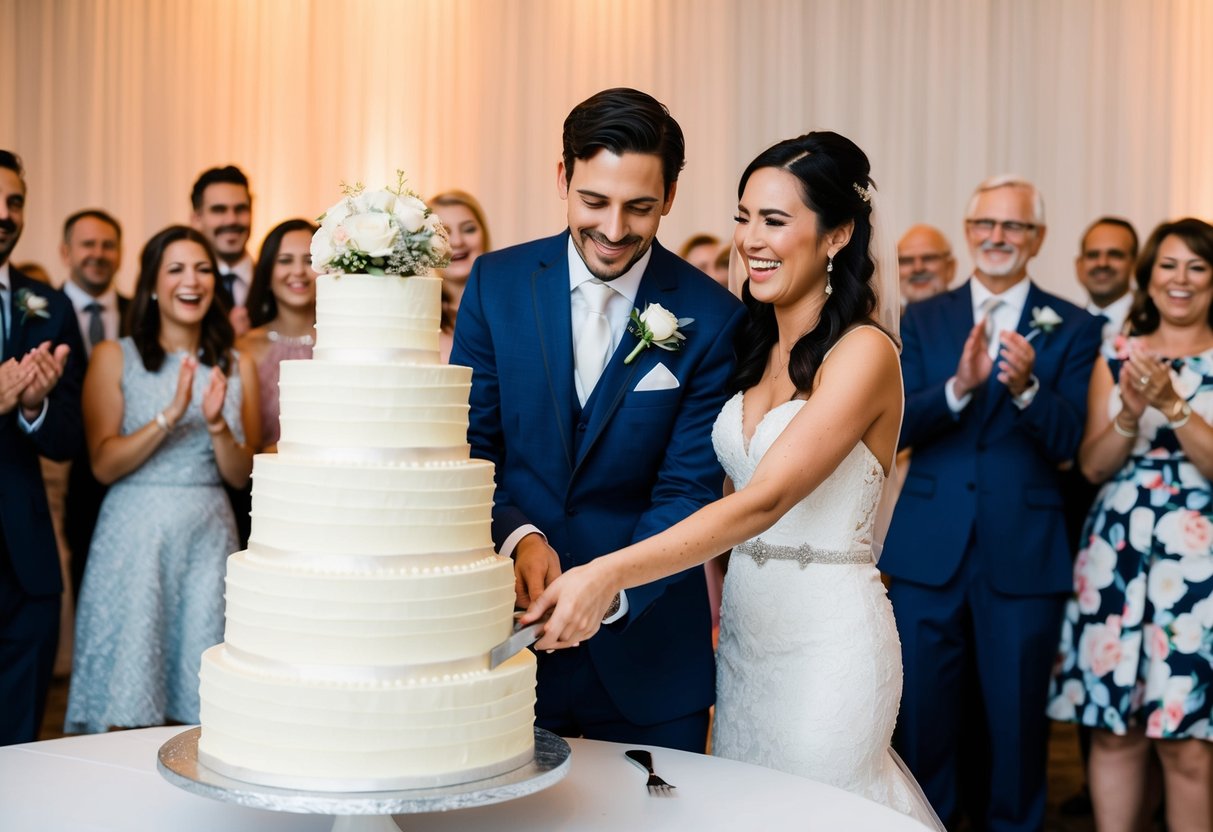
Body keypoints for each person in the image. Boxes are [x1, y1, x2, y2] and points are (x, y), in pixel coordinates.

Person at [522, 131, 942, 829]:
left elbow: (765, 499)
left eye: (775, 221)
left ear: (836, 234)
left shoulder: (864, 353)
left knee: (817, 812)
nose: (750, 238)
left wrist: (607, 574)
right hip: (747, 642)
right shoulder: (744, 345)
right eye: (744, 216)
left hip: (828, 644)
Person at [451, 87, 745, 753]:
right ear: (563, 178)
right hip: (510, 644)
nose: (613, 229)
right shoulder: (495, 284)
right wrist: (520, 537)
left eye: (639, 207)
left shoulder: (714, 316)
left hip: (649, 659)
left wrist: (608, 589)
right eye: (594, 201)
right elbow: (469, 452)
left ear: (669, 196)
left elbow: (687, 491)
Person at [880, 175, 1103, 831]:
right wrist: (958, 385)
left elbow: (1068, 445)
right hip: (927, 549)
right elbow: (896, 426)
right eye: (985, 225)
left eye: (1013, 227)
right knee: (923, 725)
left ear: (1036, 238)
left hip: (1024, 553)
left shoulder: (1073, 323)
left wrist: (1028, 387)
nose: (996, 238)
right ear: (967, 231)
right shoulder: (920, 317)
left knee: (1015, 729)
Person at [1048, 217, 1213, 832]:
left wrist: (1174, 406)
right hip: (1117, 552)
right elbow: (1091, 465)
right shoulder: (1117, 353)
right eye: (1169, 265)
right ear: (1149, 276)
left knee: (1186, 740)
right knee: (1115, 732)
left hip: (1198, 565)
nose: (1181, 279)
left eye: (1197, 267)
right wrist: (1132, 412)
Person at [64, 225, 259, 733]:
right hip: (133, 535)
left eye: (201, 269)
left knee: (199, 697)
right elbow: (104, 464)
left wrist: (216, 424)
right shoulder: (115, 356)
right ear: (152, 283)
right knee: (129, 683)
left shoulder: (237, 364)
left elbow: (242, 477)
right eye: (175, 269)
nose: (190, 280)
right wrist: (171, 413)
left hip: (209, 535)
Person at [0, 149, 86, 745]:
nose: (5, 214)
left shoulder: (48, 306)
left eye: (14, 201)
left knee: (19, 745)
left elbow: (71, 435)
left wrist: (35, 407)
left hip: (25, 567)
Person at [57, 209, 129, 601]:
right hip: (62, 476)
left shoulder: (142, 314)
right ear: (65, 252)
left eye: (108, 245)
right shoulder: (42, 313)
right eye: (88, 244)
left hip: (131, 472)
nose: (98, 254)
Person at [239, 218, 317, 449]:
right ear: (268, 273)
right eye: (284, 261)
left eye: (309, 261)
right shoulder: (244, 348)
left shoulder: (345, 347)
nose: (298, 271)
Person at [190, 165, 254, 338]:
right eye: (219, 210)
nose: (232, 220)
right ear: (196, 219)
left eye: (240, 209)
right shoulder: (187, 286)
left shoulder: (276, 278)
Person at [429, 190, 490, 362]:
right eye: (443, 233)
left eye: (468, 229)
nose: (457, 241)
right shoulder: (417, 315)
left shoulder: (510, 306)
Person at [1077, 216, 1138, 343]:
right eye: (1092, 255)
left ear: (1135, 264)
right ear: (1079, 266)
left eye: (1115, 254)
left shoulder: (1154, 323)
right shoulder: (1066, 326)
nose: (1102, 263)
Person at [897, 223, 954, 305]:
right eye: (907, 260)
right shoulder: (885, 317)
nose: (918, 268)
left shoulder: (971, 314)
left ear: (950, 267)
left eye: (928, 258)